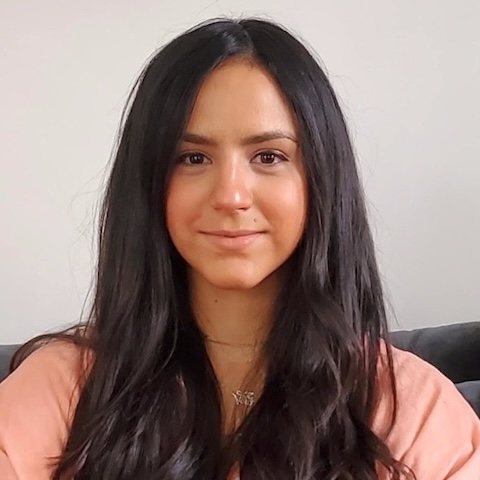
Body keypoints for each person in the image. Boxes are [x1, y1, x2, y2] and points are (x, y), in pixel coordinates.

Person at [0, 17, 479, 480]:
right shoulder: (59, 389)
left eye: (268, 156)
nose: (230, 194)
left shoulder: (413, 409)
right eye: (193, 158)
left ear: (321, 180)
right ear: (147, 183)